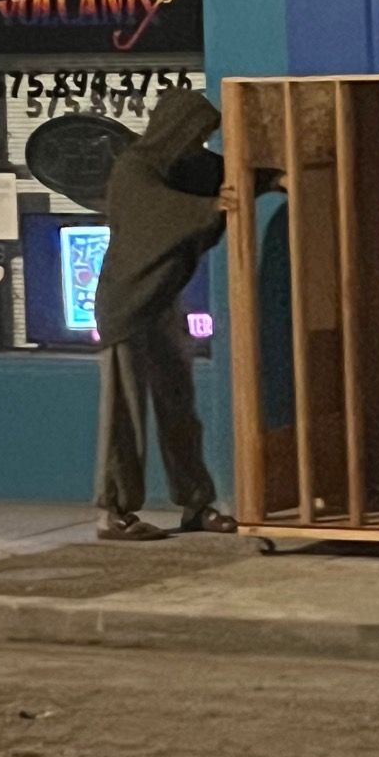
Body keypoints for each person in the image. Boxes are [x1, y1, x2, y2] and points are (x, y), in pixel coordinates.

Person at [93, 86, 237, 542]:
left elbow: (228, 175)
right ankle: (113, 512)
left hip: (162, 302)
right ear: (175, 131)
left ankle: (195, 502)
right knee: (125, 417)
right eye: (193, 137)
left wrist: (271, 178)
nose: (199, 147)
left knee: (179, 408)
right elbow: (157, 213)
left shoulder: (183, 166)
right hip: (127, 305)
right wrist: (211, 207)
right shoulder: (135, 169)